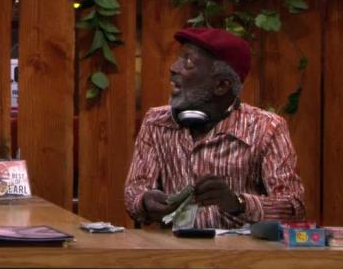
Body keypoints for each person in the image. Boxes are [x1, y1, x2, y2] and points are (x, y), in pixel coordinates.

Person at [124, 27, 305, 229]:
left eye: (188, 62)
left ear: (221, 85)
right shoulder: (155, 122)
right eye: (179, 58)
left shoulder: (267, 128)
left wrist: (237, 203)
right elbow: (134, 193)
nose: (174, 68)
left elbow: (293, 207)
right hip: (173, 247)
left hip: (240, 248)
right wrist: (144, 202)